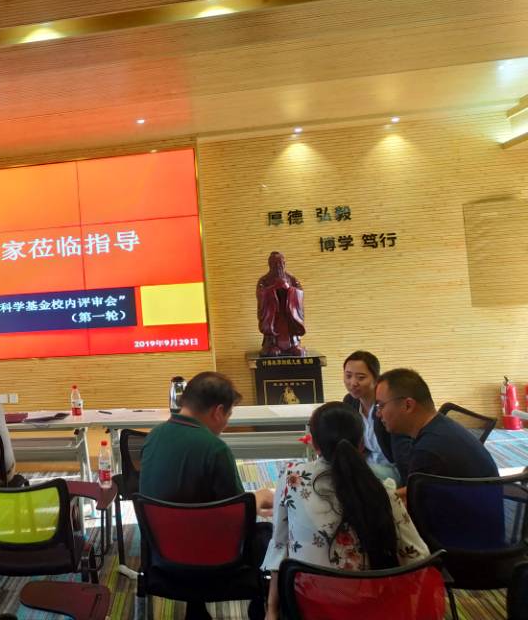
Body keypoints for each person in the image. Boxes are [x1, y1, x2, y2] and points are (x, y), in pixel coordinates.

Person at [262, 402, 429, 620]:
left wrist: (272, 610)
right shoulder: (382, 490)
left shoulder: (292, 479)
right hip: (373, 608)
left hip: (309, 606)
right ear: (361, 444)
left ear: (314, 444)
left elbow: (279, 545)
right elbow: (418, 557)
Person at [139, 372, 274, 620]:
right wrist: (259, 498)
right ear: (218, 411)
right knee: (269, 535)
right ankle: (260, 608)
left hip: (160, 556)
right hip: (215, 562)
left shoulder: (153, 436)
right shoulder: (215, 448)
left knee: (192, 518)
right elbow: (237, 517)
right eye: (229, 415)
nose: (226, 423)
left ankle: (196, 610)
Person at [375, 368, 498, 494]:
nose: (378, 414)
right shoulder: (441, 427)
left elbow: (414, 501)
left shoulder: (427, 451)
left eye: (381, 405)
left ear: (408, 405)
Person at [340, 350, 411, 483]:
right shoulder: (350, 402)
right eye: (348, 376)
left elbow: (403, 452)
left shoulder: (388, 404)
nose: (353, 383)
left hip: (393, 468)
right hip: (368, 463)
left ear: (376, 378)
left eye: (361, 378)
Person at [256, 251, 305, 356]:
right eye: (275, 263)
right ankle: (271, 345)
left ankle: (294, 344)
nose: (278, 266)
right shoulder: (264, 280)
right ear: (270, 264)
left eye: (281, 263)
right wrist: (273, 288)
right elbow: (260, 294)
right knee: (273, 332)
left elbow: (300, 291)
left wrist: (289, 288)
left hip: (288, 313)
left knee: (291, 328)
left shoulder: (291, 278)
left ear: (284, 264)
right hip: (274, 314)